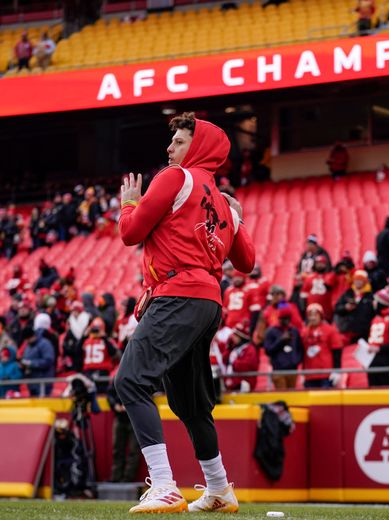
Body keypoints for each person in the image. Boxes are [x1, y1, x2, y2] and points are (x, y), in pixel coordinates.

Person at [114, 113, 255, 513]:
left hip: (178, 294)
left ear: (196, 147)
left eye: (177, 141)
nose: (169, 148)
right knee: (191, 405)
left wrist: (128, 204)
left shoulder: (175, 177)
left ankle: (163, 484)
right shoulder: (224, 202)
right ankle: (218, 489)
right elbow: (246, 262)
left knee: (131, 381)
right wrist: (237, 219)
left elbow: (130, 233)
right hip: (208, 302)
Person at [108, 369, 140, 483]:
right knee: (118, 449)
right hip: (121, 418)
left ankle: (127, 478)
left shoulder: (137, 376)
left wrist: (130, 405)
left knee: (133, 449)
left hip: (134, 419)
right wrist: (115, 405)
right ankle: (116, 477)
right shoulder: (118, 376)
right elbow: (110, 394)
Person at [301, 304, 340, 388]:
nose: (313, 318)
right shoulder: (304, 332)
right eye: (310, 315)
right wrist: (302, 371)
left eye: (315, 315)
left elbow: (337, 350)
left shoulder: (330, 330)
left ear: (321, 315)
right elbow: (302, 352)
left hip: (326, 374)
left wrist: (336, 371)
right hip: (309, 374)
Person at [264, 307, 303, 390]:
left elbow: (299, 348)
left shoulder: (294, 330)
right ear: (279, 318)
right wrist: (281, 340)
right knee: (282, 395)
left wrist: (296, 361)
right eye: (284, 318)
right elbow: (268, 350)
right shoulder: (271, 331)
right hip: (278, 369)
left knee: (292, 395)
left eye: (288, 318)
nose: (286, 321)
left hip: (292, 369)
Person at [333, 270, 375, 347]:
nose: (358, 282)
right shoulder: (348, 293)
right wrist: (345, 307)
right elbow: (337, 308)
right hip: (348, 331)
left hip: (364, 332)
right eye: (356, 279)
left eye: (360, 280)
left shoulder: (370, 296)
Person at [82, 317, 120, 392]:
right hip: (88, 372)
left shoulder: (108, 341)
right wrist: (84, 336)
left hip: (103, 372)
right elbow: (76, 353)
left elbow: (115, 354)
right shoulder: (86, 341)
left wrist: (104, 337)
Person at [221, 320, 258, 393]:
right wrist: (228, 348)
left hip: (244, 383)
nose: (232, 337)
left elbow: (248, 366)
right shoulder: (233, 348)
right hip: (231, 382)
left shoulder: (249, 348)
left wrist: (234, 362)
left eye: (235, 335)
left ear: (241, 337)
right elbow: (224, 360)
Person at [20, 326, 55, 396]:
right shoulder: (28, 347)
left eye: (28, 339)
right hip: (32, 383)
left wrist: (31, 363)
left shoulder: (45, 344)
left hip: (43, 382)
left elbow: (48, 361)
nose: (27, 341)